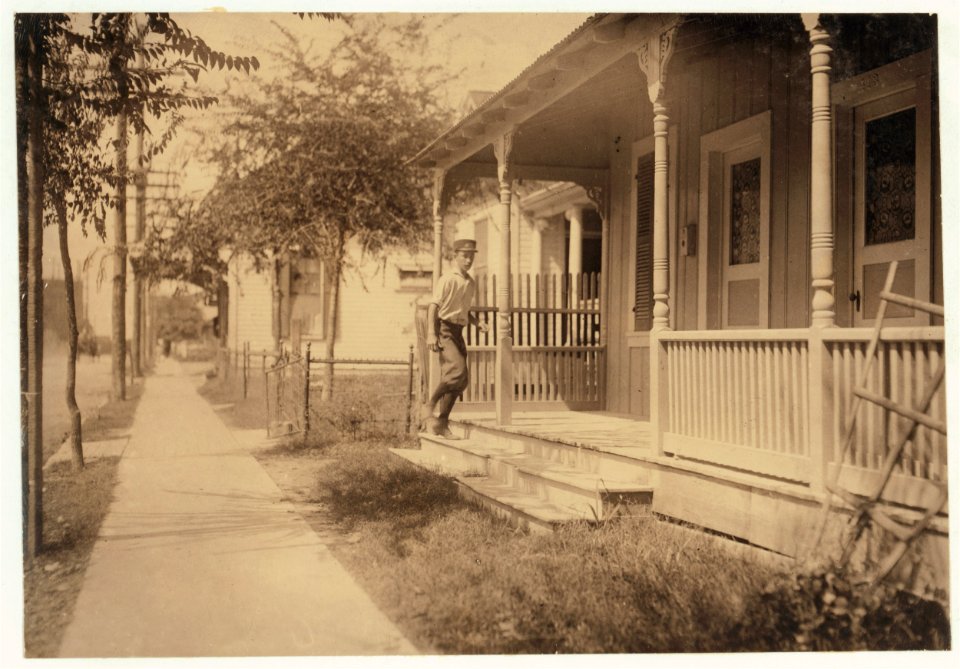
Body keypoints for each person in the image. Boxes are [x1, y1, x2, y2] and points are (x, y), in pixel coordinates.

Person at [424, 238, 488, 438]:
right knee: (456, 371)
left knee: (461, 381)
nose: (468, 260)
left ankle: (442, 422)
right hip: (444, 329)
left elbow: (463, 311)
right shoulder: (447, 279)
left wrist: (477, 323)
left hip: (458, 331)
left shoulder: (470, 282)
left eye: (471, 256)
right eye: (464, 255)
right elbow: (434, 306)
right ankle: (429, 405)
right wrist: (431, 333)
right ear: (456, 256)